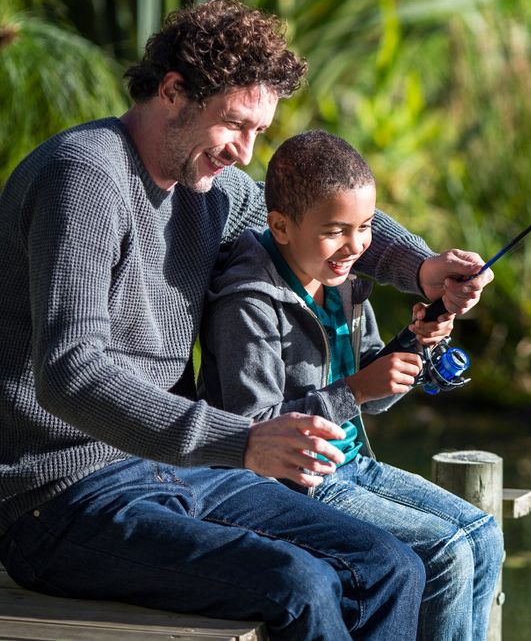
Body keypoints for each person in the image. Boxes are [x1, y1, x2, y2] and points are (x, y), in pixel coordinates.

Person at [0, 0, 493, 641]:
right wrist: (241, 442)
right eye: (235, 124)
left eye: (259, 131)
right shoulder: (86, 177)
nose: (244, 151)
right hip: (58, 496)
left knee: (385, 565)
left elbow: (310, 217)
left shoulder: (207, 189)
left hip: (173, 469)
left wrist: (422, 269)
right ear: (173, 91)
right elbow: (71, 373)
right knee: (303, 584)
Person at [199, 130, 504, 641]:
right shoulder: (247, 302)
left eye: (365, 227)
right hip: (291, 480)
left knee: (483, 533)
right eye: (336, 230)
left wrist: (413, 342)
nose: (356, 246)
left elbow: (376, 394)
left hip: (350, 460)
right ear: (280, 226)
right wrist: (355, 391)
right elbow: (255, 430)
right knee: (444, 550)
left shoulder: (341, 281)